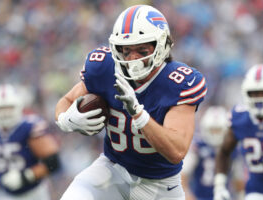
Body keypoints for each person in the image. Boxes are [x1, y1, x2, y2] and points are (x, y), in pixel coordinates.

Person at [55, 4, 207, 200]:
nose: (133, 58)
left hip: (160, 185)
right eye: (127, 50)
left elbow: (177, 151)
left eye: (142, 50)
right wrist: (66, 118)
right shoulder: (105, 67)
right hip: (112, 170)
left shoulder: (178, 82)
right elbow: (65, 101)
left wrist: (138, 114)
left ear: (161, 46)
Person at [0, 84, 61, 200]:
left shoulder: (30, 127)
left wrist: (26, 176)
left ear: (19, 107)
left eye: (9, 108)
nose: (5, 113)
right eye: (0, 109)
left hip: (33, 193)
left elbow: (53, 163)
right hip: (4, 193)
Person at [214, 63, 263, 200]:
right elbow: (224, 152)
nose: (260, 97)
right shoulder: (240, 119)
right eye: (254, 93)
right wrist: (220, 186)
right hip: (258, 190)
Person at [182, 106, 244, 200]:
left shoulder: (232, 149)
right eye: (212, 130)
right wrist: (187, 195)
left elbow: (238, 181)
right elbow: (183, 175)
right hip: (199, 197)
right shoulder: (198, 147)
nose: (215, 134)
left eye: (218, 130)